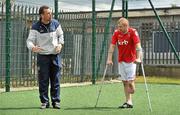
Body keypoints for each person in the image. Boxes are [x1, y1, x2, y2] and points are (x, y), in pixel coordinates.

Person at [26, 5, 64, 109]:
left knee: (55, 79)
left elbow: (61, 35)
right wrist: (33, 47)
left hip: (55, 56)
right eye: (48, 13)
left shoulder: (56, 24)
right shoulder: (35, 27)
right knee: (43, 80)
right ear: (42, 15)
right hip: (42, 57)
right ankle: (44, 102)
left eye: (51, 13)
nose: (50, 15)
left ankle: (56, 102)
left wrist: (60, 44)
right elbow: (29, 41)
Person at [107, 17, 142, 109]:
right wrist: (109, 59)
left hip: (131, 61)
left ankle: (132, 88)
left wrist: (138, 58)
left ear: (126, 26)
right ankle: (128, 102)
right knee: (124, 82)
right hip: (121, 60)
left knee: (130, 83)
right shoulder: (116, 33)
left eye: (120, 27)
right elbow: (112, 46)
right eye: (118, 26)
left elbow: (138, 46)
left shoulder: (133, 32)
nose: (119, 28)